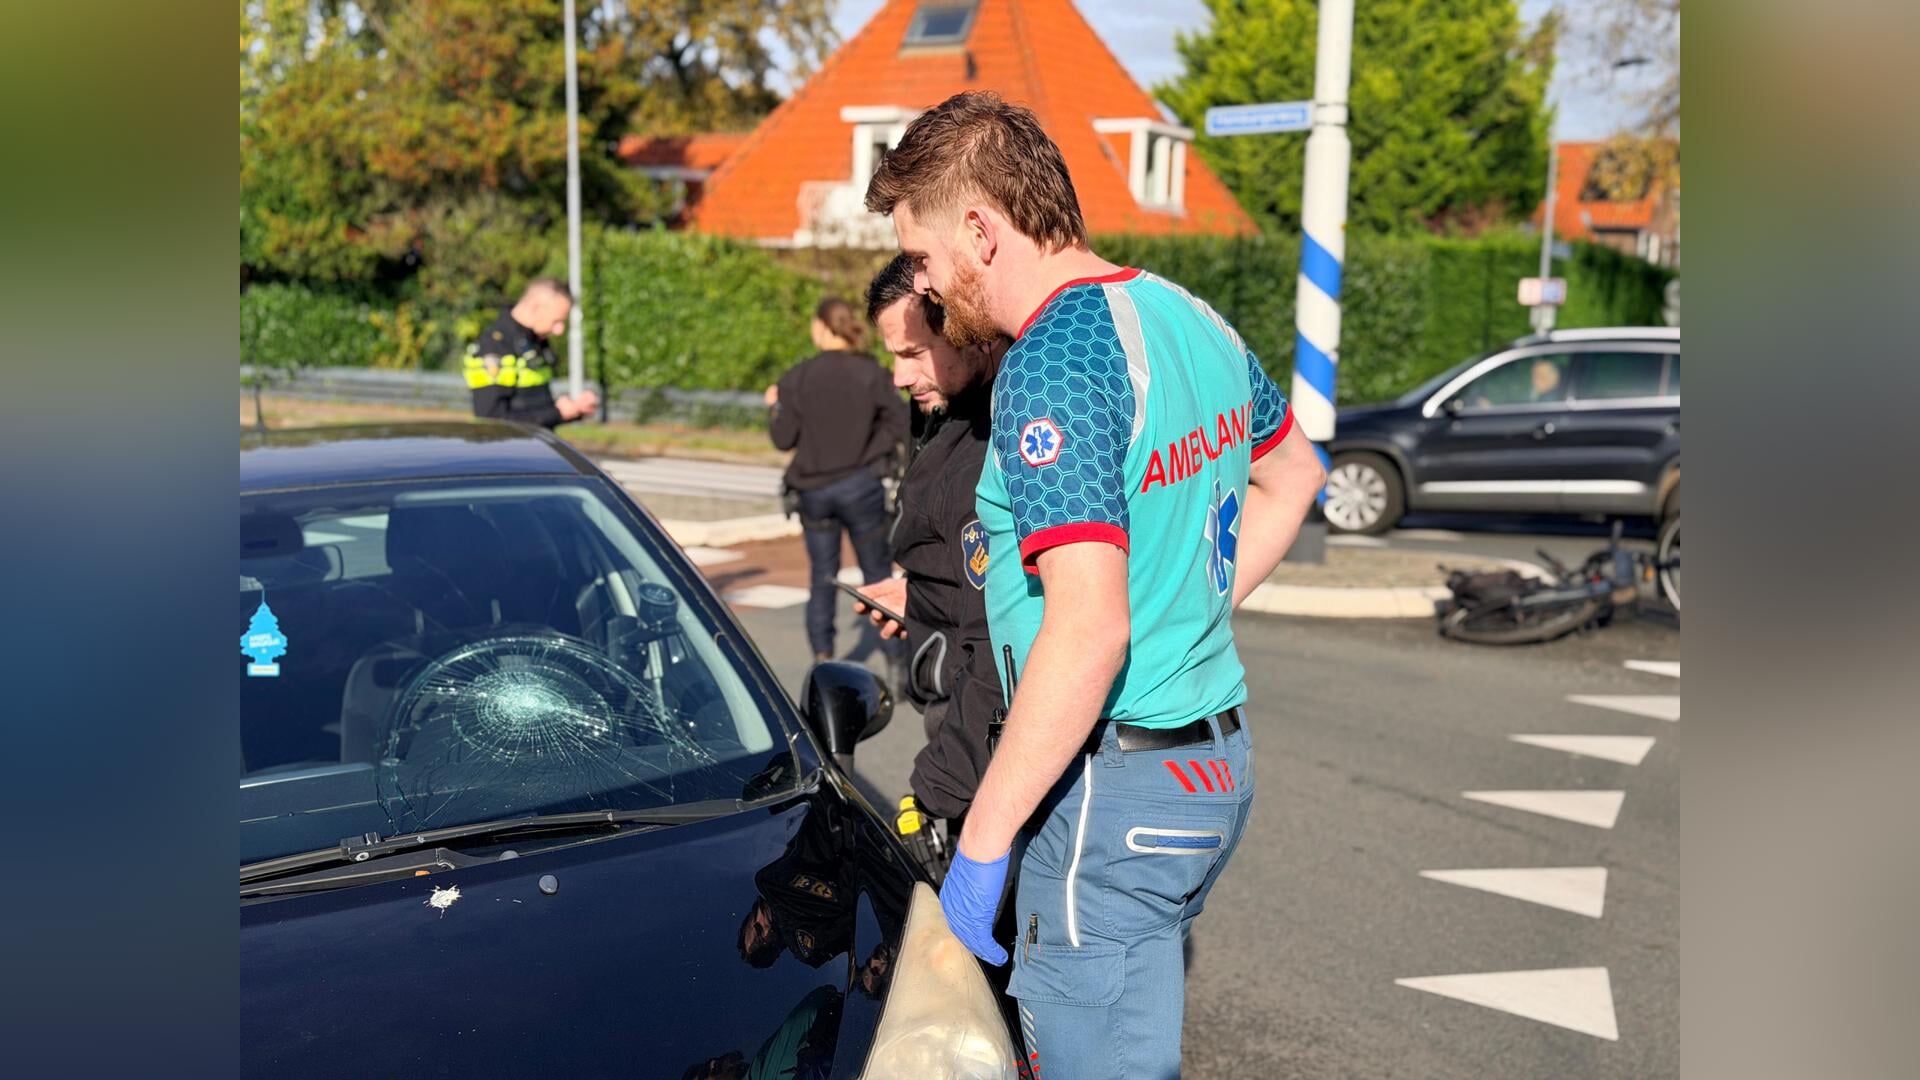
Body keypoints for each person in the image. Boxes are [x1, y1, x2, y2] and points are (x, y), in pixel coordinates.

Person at [864, 91, 1326, 1078]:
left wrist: (982, 844)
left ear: (980, 230)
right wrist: (1184, 610)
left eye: (924, 258)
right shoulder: (1185, 314)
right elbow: (1295, 476)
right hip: (1211, 768)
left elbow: (1089, 630)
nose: (926, 285)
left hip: (1114, 786)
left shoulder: (1050, 362)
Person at [852, 254, 1011, 874]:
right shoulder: (953, 413)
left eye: (915, 353)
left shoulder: (990, 445)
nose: (899, 376)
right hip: (966, 747)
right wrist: (916, 593)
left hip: (983, 767)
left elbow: (997, 643)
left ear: (967, 328)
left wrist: (936, 788)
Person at [765, 298, 910, 666]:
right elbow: (902, 425)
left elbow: (783, 439)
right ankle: (896, 659)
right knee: (877, 572)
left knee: (822, 575)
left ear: (822, 326)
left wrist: (774, 407)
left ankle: (822, 656)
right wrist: (878, 451)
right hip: (862, 487)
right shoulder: (872, 373)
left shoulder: (797, 378)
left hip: (813, 491)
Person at [465, 278, 598, 429]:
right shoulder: (495, 346)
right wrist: (557, 413)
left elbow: (535, 405)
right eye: (556, 321)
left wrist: (574, 409)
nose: (559, 330)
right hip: (513, 444)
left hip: (537, 441)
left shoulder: (534, 341)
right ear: (535, 307)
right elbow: (491, 420)